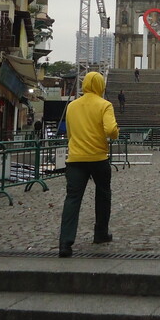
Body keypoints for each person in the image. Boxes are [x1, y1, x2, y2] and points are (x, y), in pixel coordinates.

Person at [58, 72, 119, 258]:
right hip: (98, 158)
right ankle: (100, 233)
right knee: (103, 195)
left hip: (75, 159)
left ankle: (65, 243)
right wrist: (115, 133)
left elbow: (70, 132)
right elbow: (110, 130)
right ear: (101, 85)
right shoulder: (104, 105)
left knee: (72, 199)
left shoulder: (72, 106)